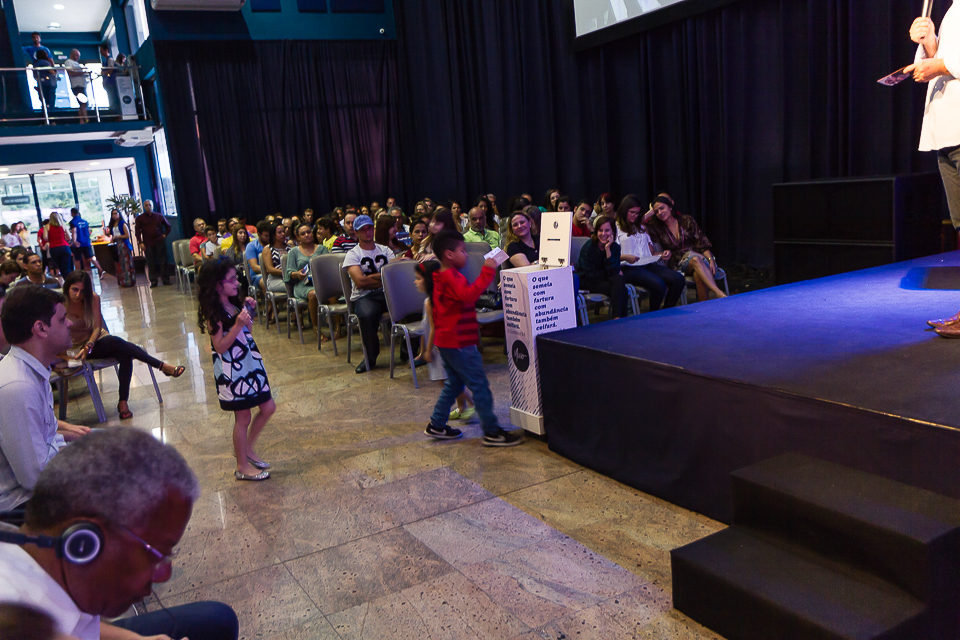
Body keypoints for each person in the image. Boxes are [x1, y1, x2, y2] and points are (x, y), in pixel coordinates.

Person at [0, 427, 240, 639]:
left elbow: (81, 626)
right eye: (154, 554)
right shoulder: (16, 621)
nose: (162, 576)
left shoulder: (51, 570)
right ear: (84, 543)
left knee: (216, 619)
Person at [423, 230, 523, 446]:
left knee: (454, 385)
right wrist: (488, 271)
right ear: (449, 254)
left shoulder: (441, 275)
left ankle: (437, 424)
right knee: (479, 385)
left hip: (448, 342)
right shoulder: (451, 275)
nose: (466, 254)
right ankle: (492, 432)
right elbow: (469, 295)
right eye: (462, 250)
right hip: (459, 342)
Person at [0, 285, 90, 513]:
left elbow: (48, 439)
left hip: (37, 486)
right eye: (61, 319)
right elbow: (35, 477)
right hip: (21, 503)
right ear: (40, 328)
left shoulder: (32, 370)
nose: (69, 323)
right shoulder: (17, 386)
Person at [61, 271, 183, 420]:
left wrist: (89, 345)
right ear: (67, 287)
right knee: (121, 347)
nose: (78, 295)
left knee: (121, 351)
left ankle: (123, 401)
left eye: (82, 291)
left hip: (94, 342)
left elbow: (97, 329)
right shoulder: (60, 303)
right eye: (75, 289)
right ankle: (161, 367)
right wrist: (78, 350)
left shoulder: (92, 298)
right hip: (75, 350)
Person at [908, 7, 960, 334]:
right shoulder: (953, 10)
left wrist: (937, 64)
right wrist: (931, 44)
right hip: (947, 130)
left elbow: (948, 64)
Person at [197, 258, 274, 480]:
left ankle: (247, 448)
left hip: (250, 364)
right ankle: (242, 465)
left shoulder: (233, 303)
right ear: (217, 285)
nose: (237, 284)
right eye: (231, 280)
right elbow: (219, 346)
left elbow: (246, 331)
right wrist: (238, 324)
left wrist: (248, 313)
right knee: (243, 418)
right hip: (233, 371)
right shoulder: (215, 313)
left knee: (268, 406)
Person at [413, 261, 475, 419]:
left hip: (439, 347)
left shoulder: (430, 303)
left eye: (418, 278)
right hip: (438, 345)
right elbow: (425, 329)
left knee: (447, 382)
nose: (415, 282)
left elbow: (434, 328)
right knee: (450, 380)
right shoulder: (432, 299)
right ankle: (462, 407)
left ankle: (474, 404)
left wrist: (428, 350)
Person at [644, 195, 726, 301]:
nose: (660, 213)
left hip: (699, 260)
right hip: (678, 263)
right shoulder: (657, 228)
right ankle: (718, 293)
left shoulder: (686, 220)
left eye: (662, 208)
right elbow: (635, 222)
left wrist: (711, 260)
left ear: (670, 207)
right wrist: (650, 212)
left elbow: (702, 242)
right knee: (696, 259)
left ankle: (704, 308)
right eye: (656, 211)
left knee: (698, 274)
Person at [343, 215, 395, 373]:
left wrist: (371, 278)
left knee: (411, 306)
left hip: (386, 293)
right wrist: (383, 277)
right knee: (366, 314)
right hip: (364, 296)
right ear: (356, 233)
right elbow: (360, 282)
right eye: (363, 230)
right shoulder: (353, 254)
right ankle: (370, 357)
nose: (367, 232)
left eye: (370, 228)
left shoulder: (385, 250)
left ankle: (409, 352)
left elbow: (394, 275)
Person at [616, 194, 685, 311]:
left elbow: (651, 253)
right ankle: (654, 314)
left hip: (647, 263)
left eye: (637, 213)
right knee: (659, 284)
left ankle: (666, 311)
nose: (635, 215)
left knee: (678, 279)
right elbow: (610, 256)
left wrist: (662, 254)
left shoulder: (641, 228)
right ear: (624, 210)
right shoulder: (615, 228)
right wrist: (625, 257)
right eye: (632, 212)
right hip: (629, 267)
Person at [577, 215, 628, 319]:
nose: (603, 234)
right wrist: (609, 273)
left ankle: (617, 318)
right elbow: (590, 275)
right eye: (600, 230)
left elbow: (614, 271)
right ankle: (618, 320)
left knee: (620, 285)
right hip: (587, 281)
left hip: (603, 279)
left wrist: (607, 249)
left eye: (607, 230)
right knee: (621, 288)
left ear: (613, 232)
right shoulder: (589, 247)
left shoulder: (615, 247)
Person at [284, 223, 328, 332]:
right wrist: (297, 274)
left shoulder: (322, 249)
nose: (307, 235)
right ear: (298, 237)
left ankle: (337, 327)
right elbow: (289, 272)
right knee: (313, 294)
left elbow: (328, 268)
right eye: (303, 234)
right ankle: (316, 327)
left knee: (333, 292)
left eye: (309, 232)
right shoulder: (294, 252)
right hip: (303, 284)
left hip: (322, 283)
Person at [134, 200, 172, 287]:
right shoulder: (140, 218)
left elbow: (168, 226)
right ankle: (153, 281)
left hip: (159, 240)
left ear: (153, 206)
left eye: (150, 205)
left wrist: (164, 235)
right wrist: (140, 242)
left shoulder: (159, 216)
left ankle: (165, 279)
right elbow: (137, 231)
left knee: (163, 260)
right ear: (144, 207)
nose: (148, 207)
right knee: (151, 262)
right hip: (148, 242)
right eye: (146, 205)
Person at [105, 208, 135, 287]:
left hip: (123, 245)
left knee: (126, 263)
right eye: (113, 214)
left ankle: (128, 280)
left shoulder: (122, 224)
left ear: (119, 214)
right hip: (116, 245)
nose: (114, 215)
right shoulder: (113, 225)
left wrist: (118, 236)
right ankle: (122, 281)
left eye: (116, 213)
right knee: (119, 263)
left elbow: (127, 235)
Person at [68, 209, 103, 275]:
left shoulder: (73, 222)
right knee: (90, 257)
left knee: (77, 259)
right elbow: (89, 231)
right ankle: (100, 269)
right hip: (86, 242)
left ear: (72, 213)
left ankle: (78, 274)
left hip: (78, 243)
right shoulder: (85, 222)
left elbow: (74, 231)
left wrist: (74, 240)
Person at [244, 220, 272, 291]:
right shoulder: (251, 246)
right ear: (259, 234)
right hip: (257, 276)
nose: (269, 238)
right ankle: (269, 302)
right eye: (266, 236)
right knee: (265, 282)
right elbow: (254, 267)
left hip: (272, 273)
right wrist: (271, 271)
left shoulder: (273, 244)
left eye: (270, 235)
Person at [263, 222, 289, 296]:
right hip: (275, 280)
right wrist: (289, 274)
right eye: (279, 232)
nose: (283, 234)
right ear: (273, 235)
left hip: (291, 278)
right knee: (295, 286)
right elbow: (270, 269)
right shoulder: (268, 249)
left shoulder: (290, 247)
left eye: (283, 231)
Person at [63, 49, 88, 124]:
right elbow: (70, 73)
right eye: (76, 55)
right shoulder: (68, 62)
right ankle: (85, 119)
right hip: (76, 86)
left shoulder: (76, 63)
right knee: (83, 103)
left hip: (81, 85)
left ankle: (82, 120)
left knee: (82, 104)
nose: (78, 57)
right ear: (72, 54)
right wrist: (82, 73)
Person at [46, 213, 73, 279]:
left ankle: (67, 281)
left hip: (54, 248)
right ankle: (70, 282)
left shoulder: (47, 226)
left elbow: (45, 238)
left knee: (60, 267)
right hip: (65, 247)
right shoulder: (63, 225)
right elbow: (69, 237)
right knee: (67, 267)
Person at [98, 43, 118, 116]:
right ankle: (114, 113)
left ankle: (116, 114)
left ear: (106, 50)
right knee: (111, 99)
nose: (100, 52)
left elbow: (111, 70)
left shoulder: (110, 60)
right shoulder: (106, 61)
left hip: (111, 82)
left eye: (101, 50)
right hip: (108, 83)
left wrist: (103, 73)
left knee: (113, 98)